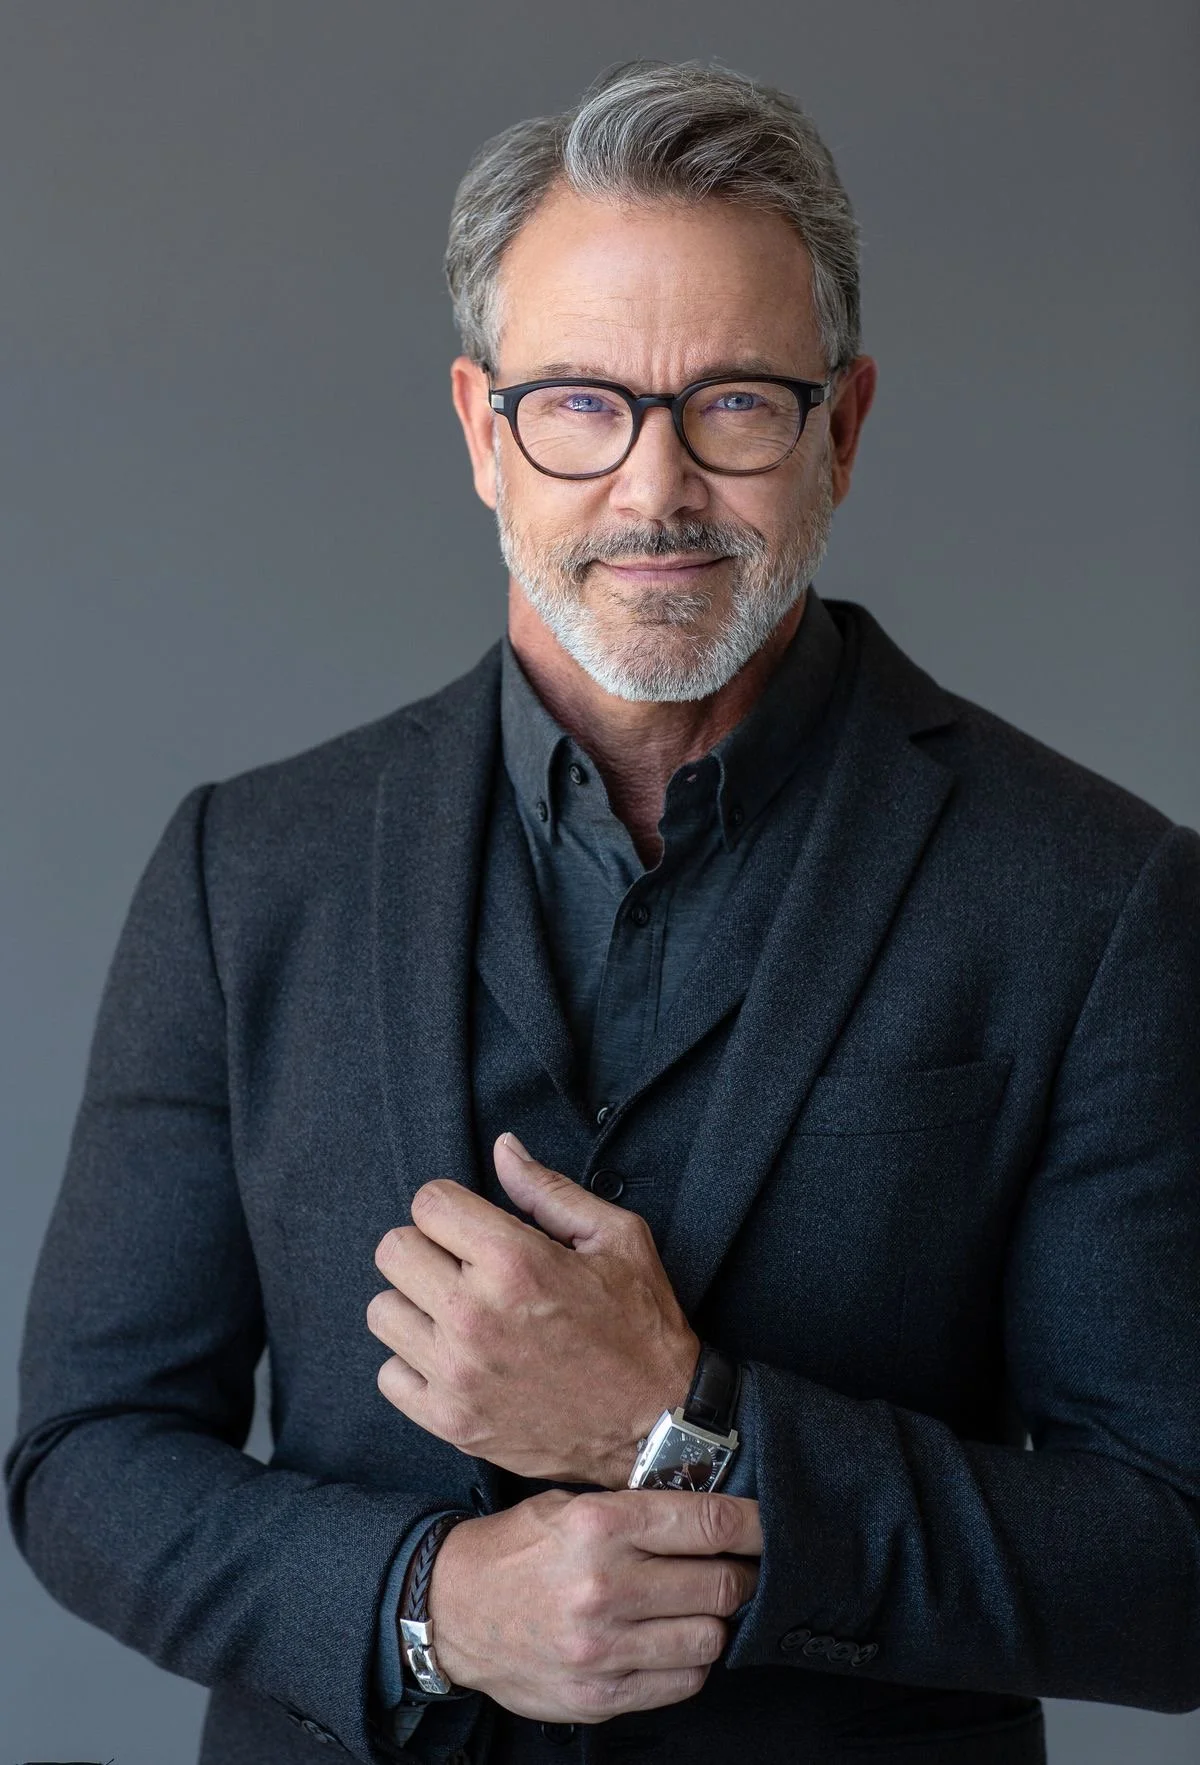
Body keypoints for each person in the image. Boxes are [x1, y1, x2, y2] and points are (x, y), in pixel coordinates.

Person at [6, 56, 1200, 1765]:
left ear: (843, 429)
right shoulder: (241, 871)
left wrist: (681, 1426)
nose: (654, 492)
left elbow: (1172, 1562)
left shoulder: (1099, 894)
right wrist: (426, 1606)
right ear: (481, 432)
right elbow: (85, 1462)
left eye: (735, 403)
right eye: (581, 402)